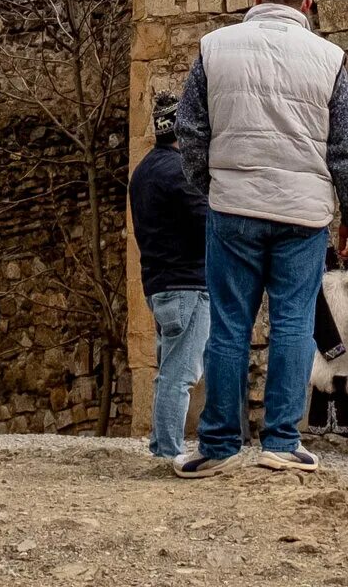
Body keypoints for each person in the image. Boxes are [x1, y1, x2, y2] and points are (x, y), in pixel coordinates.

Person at [173, 0, 348, 478]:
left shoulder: (215, 48)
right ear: (306, 4)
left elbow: (188, 129)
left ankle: (217, 444)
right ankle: (282, 440)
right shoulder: (328, 59)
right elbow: (347, 149)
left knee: (230, 325)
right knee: (292, 324)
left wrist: (212, 186)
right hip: (303, 216)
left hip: (233, 208)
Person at [128, 91, 210, 459]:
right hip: (186, 283)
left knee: (168, 369)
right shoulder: (180, 172)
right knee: (181, 374)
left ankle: (162, 443)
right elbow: (208, 223)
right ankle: (168, 451)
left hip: (158, 283)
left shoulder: (143, 170)